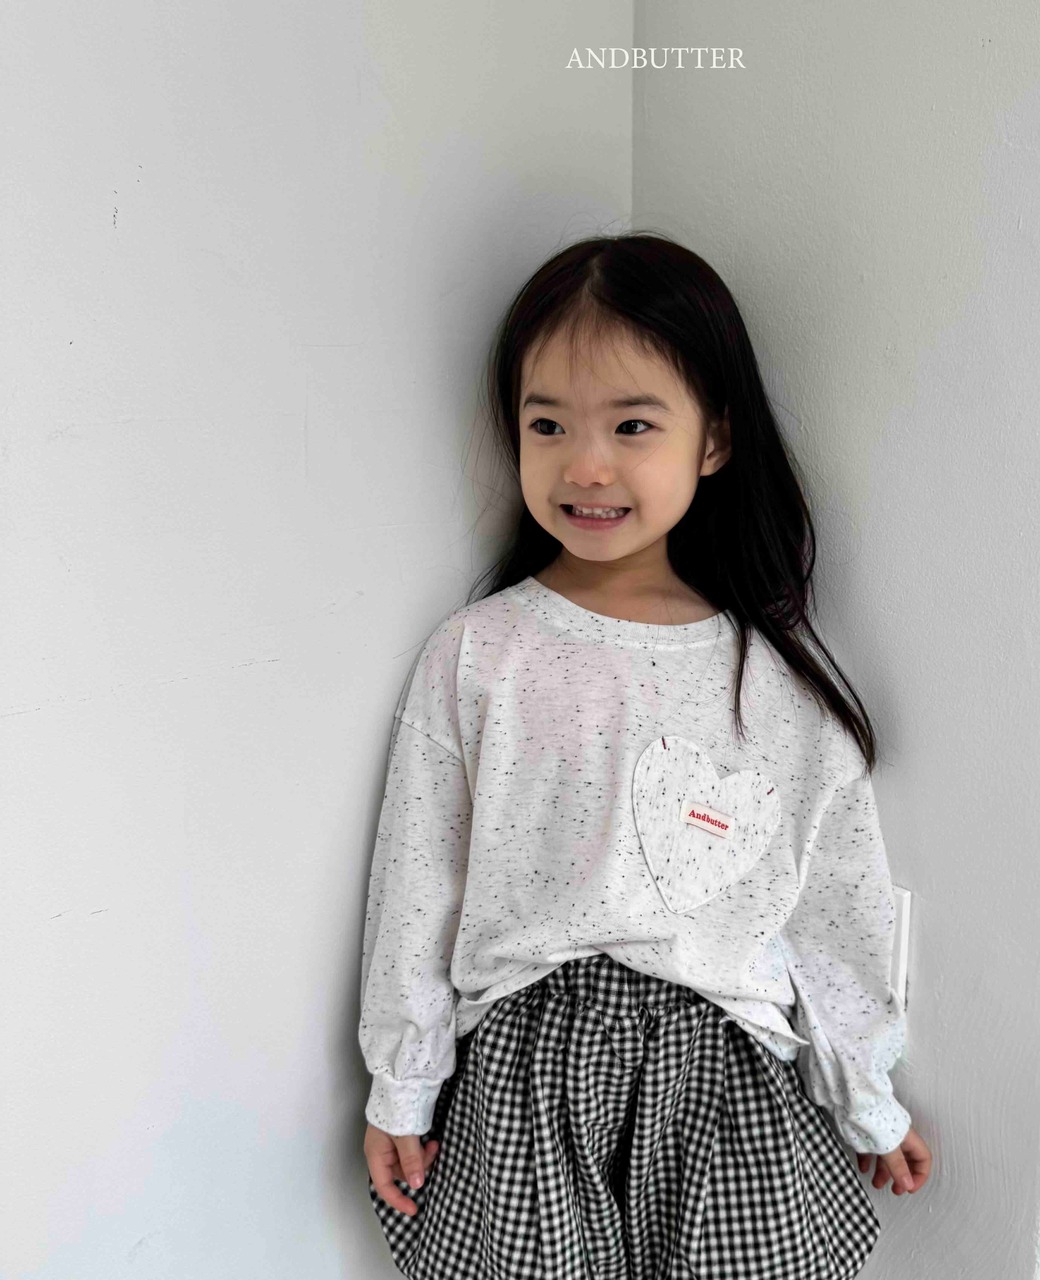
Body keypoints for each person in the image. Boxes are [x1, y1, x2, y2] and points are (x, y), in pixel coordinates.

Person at [358, 232, 932, 1279]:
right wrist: (402, 1084)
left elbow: (830, 911)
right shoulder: (481, 652)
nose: (585, 465)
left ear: (713, 439)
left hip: (719, 1086)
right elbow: (418, 879)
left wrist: (869, 1098)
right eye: (546, 425)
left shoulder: (774, 687)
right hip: (528, 1078)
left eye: (632, 425)